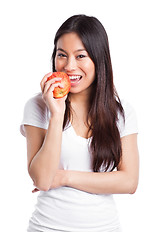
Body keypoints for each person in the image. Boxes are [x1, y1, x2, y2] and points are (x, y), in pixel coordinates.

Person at [20, 14, 139, 232]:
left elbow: (129, 182)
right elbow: (43, 180)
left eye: (81, 56)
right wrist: (57, 114)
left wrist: (65, 177)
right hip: (46, 227)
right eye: (62, 55)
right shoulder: (37, 106)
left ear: (99, 59)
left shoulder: (121, 113)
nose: (69, 66)